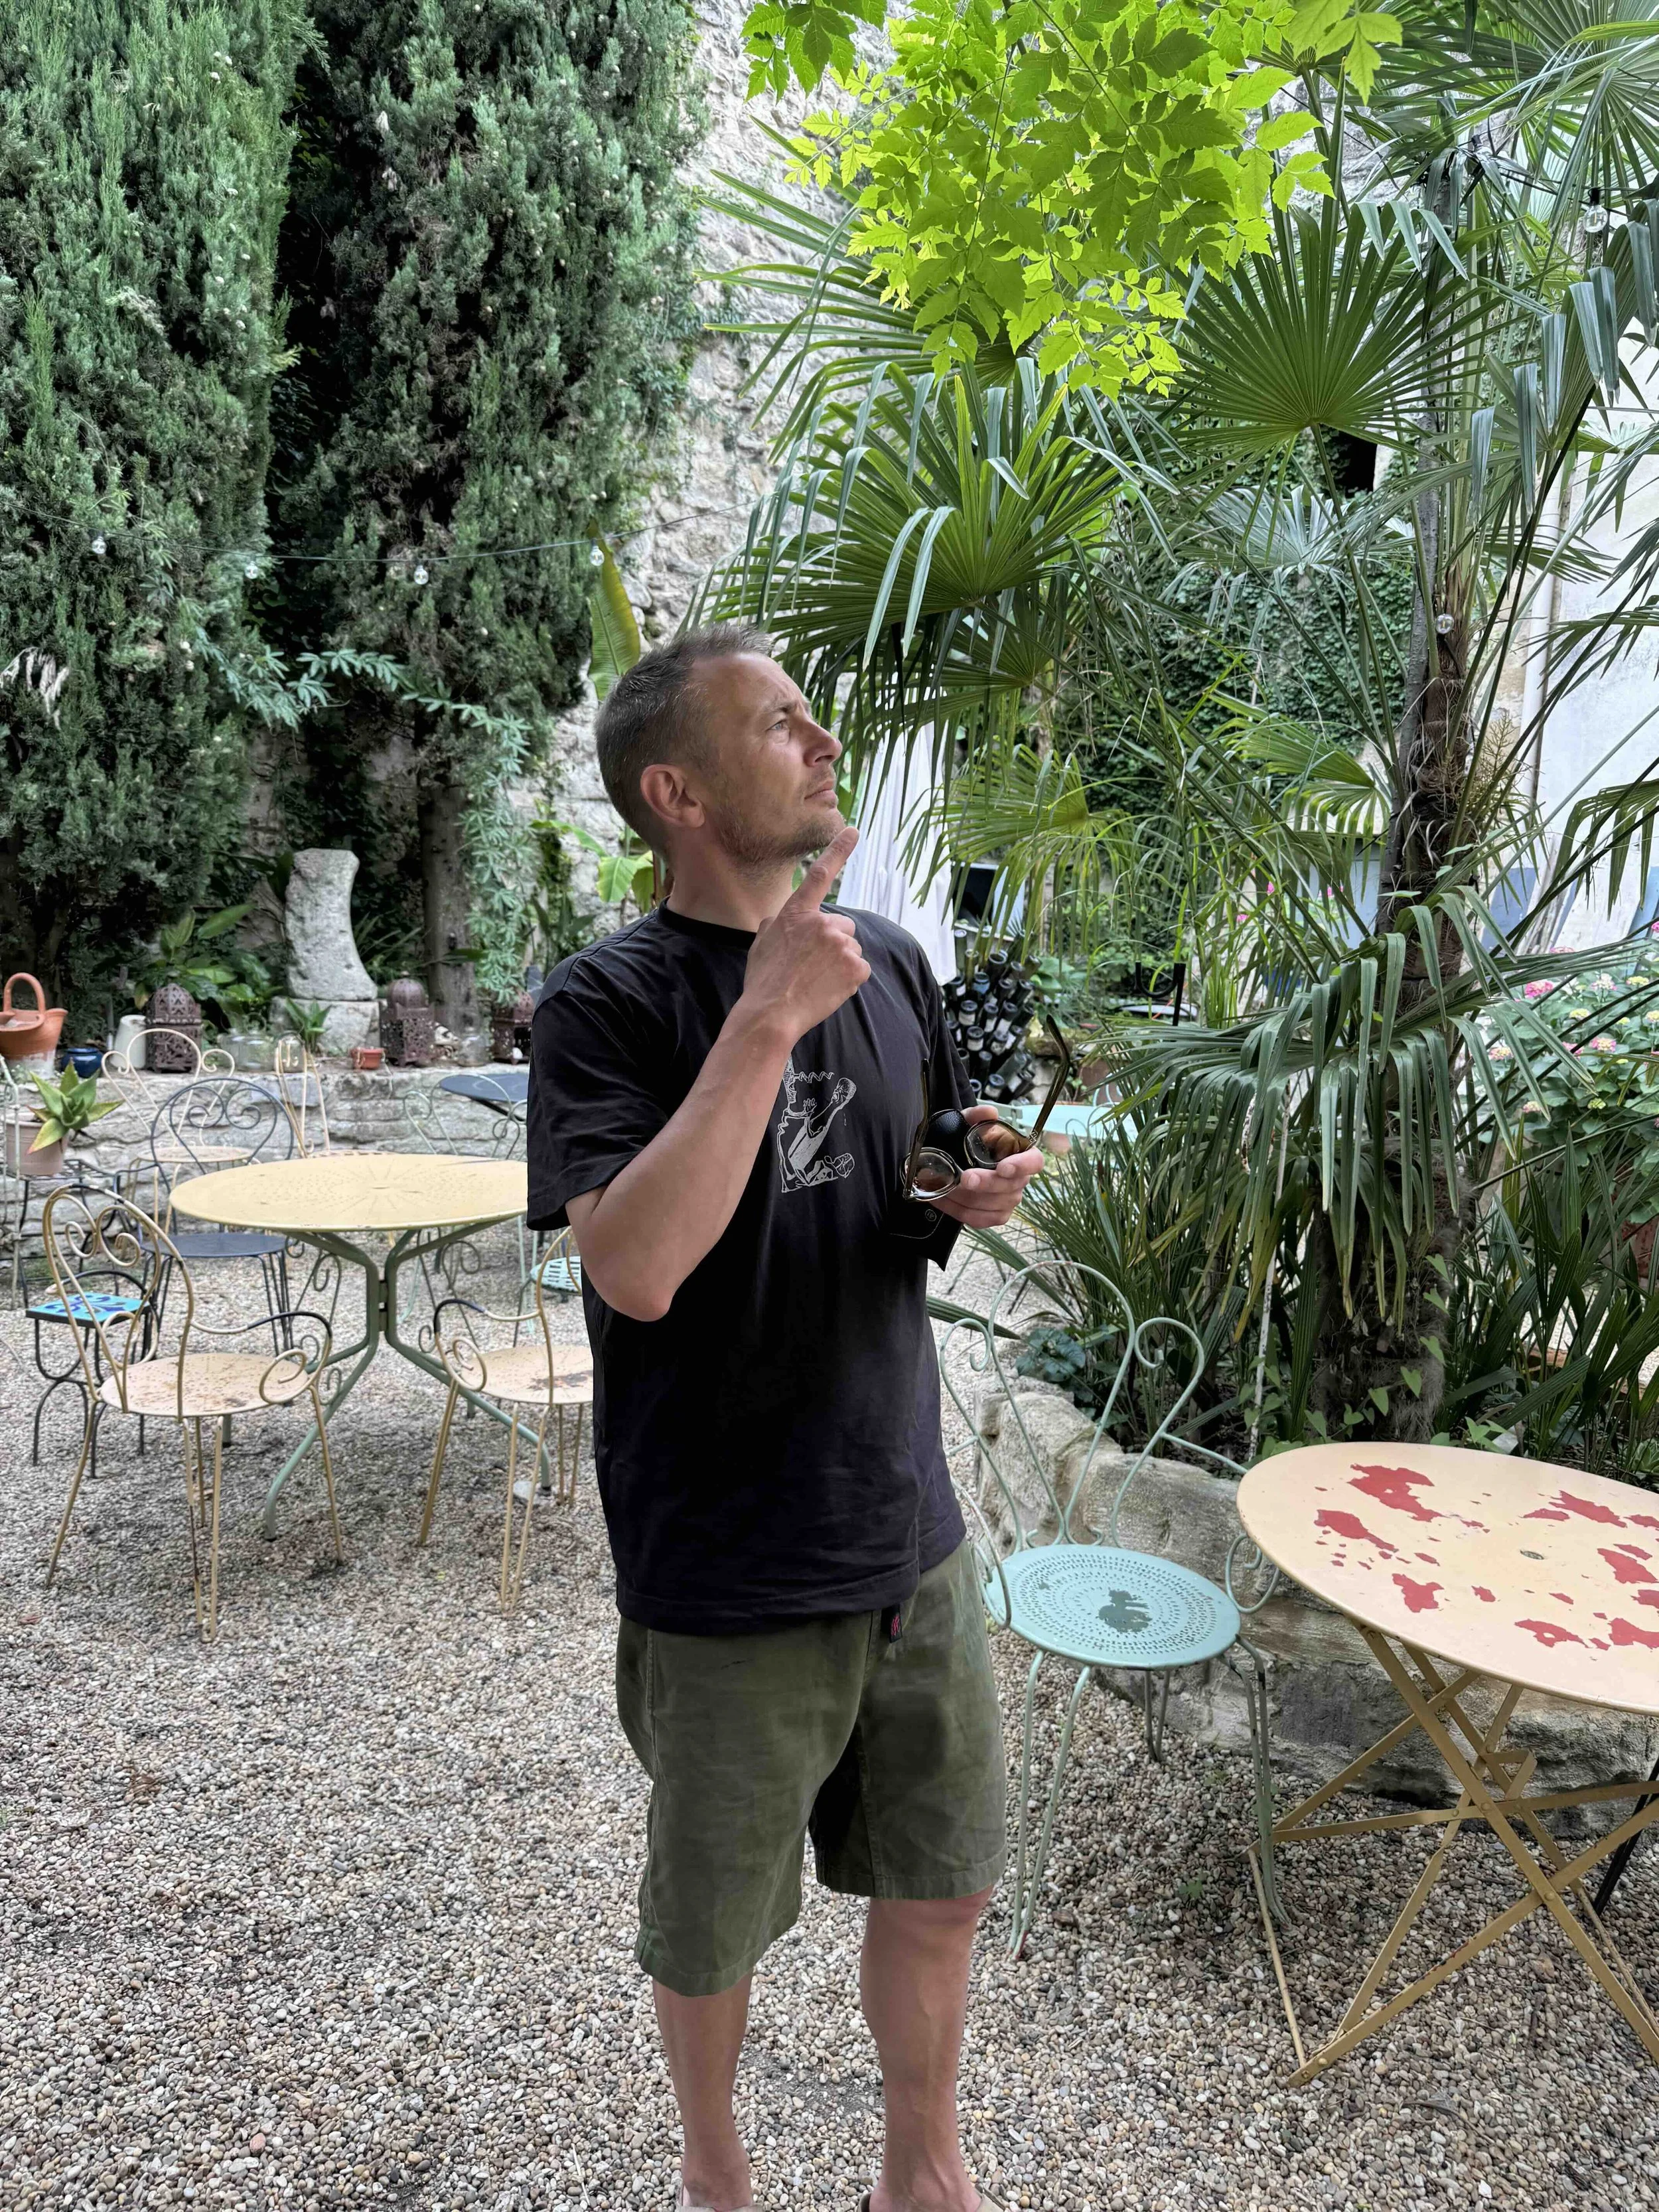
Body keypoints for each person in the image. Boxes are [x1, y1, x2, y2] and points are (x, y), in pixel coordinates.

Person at [526, 625, 1044, 2212]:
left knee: (943, 1880)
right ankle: (715, 2170)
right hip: (730, 1565)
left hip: (906, 1525)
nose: (820, 746)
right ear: (674, 791)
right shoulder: (604, 1003)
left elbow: (904, 1177)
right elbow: (636, 1269)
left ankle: (918, 2160)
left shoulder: (885, 958)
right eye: (779, 725)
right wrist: (759, 1021)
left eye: (814, 721)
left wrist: (977, 1185)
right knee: (715, 1924)